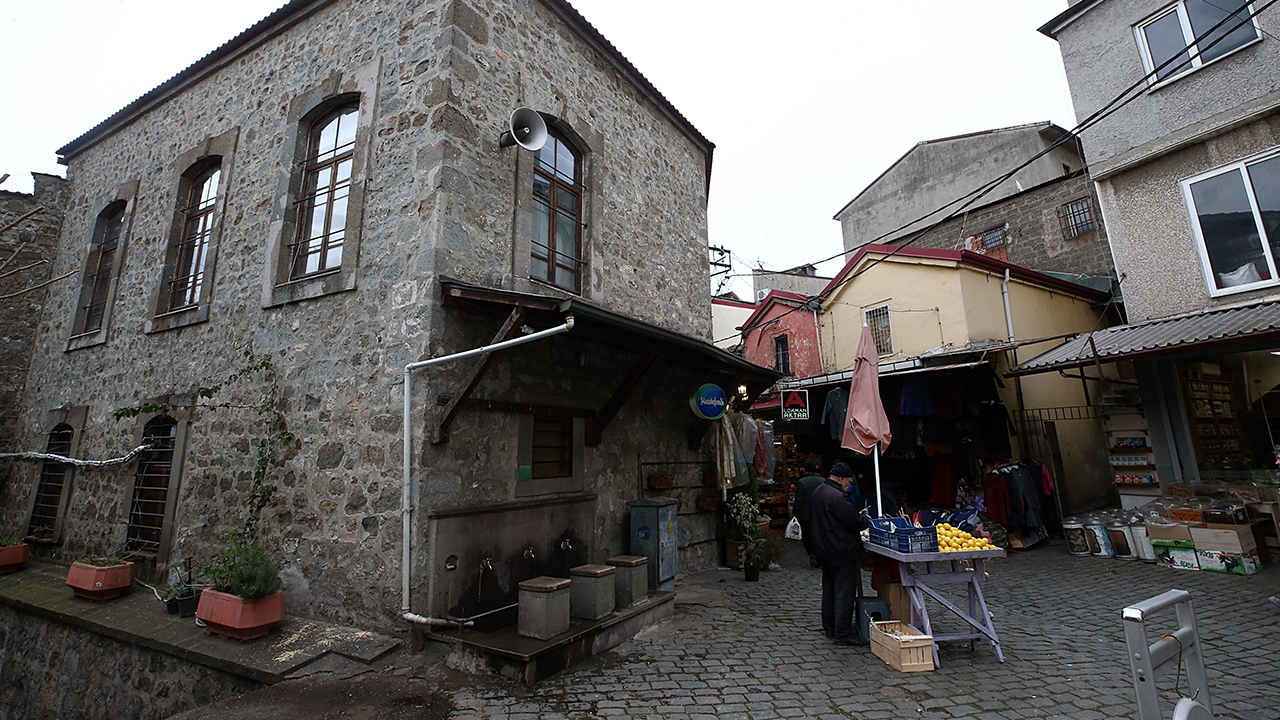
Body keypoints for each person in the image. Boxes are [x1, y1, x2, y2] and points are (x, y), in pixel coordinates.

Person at [808, 461, 871, 645]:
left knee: (829, 590)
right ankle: (842, 632)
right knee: (844, 592)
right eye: (849, 482)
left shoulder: (819, 491)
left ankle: (830, 627)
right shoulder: (837, 496)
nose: (849, 486)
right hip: (841, 550)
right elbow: (854, 521)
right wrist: (865, 519)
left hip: (825, 549)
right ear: (841, 478)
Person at [791, 460, 825, 564]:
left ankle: (812, 553)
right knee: (820, 534)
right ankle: (819, 555)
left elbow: (799, 499)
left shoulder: (802, 482)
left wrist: (795, 512)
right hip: (820, 514)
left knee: (807, 536)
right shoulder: (823, 481)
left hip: (806, 514)